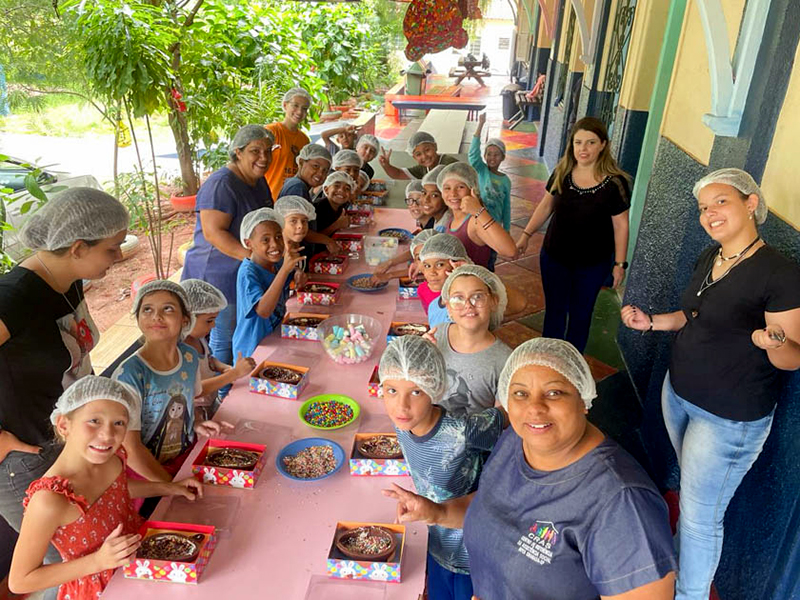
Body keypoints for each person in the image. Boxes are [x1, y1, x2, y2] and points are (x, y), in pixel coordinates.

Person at [620, 169, 800, 600]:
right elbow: (693, 315)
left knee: (702, 518)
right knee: (695, 498)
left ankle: (689, 594)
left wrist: (772, 342)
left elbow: (792, 356)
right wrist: (652, 323)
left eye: (721, 202)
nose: (709, 213)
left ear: (751, 203)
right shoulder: (711, 257)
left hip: (728, 417)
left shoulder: (780, 273)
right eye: (703, 207)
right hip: (680, 395)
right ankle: (679, 568)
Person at [384, 338, 678, 600]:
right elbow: (491, 503)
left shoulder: (622, 505)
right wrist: (437, 512)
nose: (534, 408)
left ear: (584, 399)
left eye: (554, 393)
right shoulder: (517, 439)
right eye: (521, 394)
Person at [0, 187, 128, 597]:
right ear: (77, 247)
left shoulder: (67, 280)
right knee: (63, 568)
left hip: (69, 438)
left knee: (93, 561)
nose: (119, 257)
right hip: (27, 458)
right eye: (112, 249)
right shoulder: (14, 300)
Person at [8, 377, 204, 600]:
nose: (108, 435)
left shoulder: (112, 460)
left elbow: (118, 491)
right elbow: (20, 580)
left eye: (119, 423)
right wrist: (98, 561)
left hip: (141, 562)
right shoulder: (49, 499)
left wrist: (169, 488)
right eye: (94, 421)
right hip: (100, 588)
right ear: (64, 425)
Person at [378, 335, 505, 600]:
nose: (401, 406)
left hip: (473, 554)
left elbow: (501, 419)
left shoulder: (463, 431)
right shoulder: (402, 424)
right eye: (392, 390)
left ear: (435, 387)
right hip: (436, 542)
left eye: (416, 391)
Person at [516, 116, 631, 353]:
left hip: (592, 264)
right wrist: (526, 234)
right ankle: (548, 356)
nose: (583, 149)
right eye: (578, 142)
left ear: (603, 145)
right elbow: (545, 206)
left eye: (590, 142)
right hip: (555, 257)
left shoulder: (615, 184)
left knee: (581, 314)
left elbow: (621, 226)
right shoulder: (563, 171)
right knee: (555, 311)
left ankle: (571, 362)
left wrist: (620, 264)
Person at [114, 281, 230, 482]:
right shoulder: (129, 374)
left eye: (167, 308)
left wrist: (196, 423)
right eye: (147, 309)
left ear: (186, 319)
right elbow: (130, 448)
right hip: (145, 472)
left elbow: (187, 400)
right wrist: (171, 486)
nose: (156, 316)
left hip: (182, 459)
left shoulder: (189, 357)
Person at [182, 124, 275, 367]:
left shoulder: (258, 180)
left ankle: (231, 382)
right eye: (255, 151)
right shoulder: (222, 184)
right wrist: (253, 259)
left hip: (243, 271)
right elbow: (213, 233)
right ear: (238, 152)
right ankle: (222, 394)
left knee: (240, 332)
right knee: (224, 336)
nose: (263, 157)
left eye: (268, 150)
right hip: (217, 274)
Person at [429, 265, 511, 416]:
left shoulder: (504, 360)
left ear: (493, 301)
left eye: (477, 296)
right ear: (448, 307)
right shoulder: (437, 334)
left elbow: (502, 417)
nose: (467, 305)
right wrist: (420, 355)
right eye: (458, 298)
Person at [179, 279, 256, 422]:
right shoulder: (180, 352)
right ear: (186, 319)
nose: (214, 325)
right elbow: (195, 390)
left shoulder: (199, 338)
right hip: (193, 415)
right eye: (209, 320)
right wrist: (234, 374)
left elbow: (209, 360)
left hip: (209, 404)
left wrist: (224, 368)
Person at [232, 208, 304, 359]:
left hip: (274, 339)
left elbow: (293, 273)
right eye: (265, 240)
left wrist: (297, 272)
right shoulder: (247, 273)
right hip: (253, 349)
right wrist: (284, 270)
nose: (275, 245)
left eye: (278, 237)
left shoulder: (276, 264)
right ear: (248, 243)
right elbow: (263, 311)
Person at [438, 162, 517, 269]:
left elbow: (510, 251)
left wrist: (479, 211)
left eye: (460, 187)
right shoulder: (451, 219)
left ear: (472, 189)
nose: (453, 194)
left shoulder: (474, 222)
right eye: (447, 188)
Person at [264, 87, 312, 197]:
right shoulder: (271, 132)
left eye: (304, 108)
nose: (299, 112)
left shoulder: (304, 139)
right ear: (285, 105)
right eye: (295, 105)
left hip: (293, 199)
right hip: (270, 197)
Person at [418, 233, 471, 328]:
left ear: (457, 264)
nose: (432, 272)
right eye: (427, 266)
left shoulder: (469, 305)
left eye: (440, 265)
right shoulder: (433, 307)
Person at [470, 113, 511, 232]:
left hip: (495, 224)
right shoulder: (482, 171)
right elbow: (473, 155)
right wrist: (480, 124)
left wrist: (506, 229)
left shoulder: (505, 181)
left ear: (503, 157)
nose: (492, 158)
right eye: (489, 154)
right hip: (478, 221)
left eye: (496, 154)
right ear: (484, 156)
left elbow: (506, 207)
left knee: (492, 250)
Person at [378, 131, 458, 180]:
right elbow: (398, 174)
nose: (424, 156)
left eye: (427, 150)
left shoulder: (449, 164)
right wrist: (386, 165)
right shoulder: (424, 168)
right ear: (414, 157)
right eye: (418, 154)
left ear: (435, 146)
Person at [311, 171, 356, 249]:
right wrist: (336, 225)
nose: (341, 191)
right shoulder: (317, 208)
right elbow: (310, 238)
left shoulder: (340, 208)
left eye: (347, 189)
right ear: (326, 189)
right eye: (336, 186)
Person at [421, 165, 452, 232]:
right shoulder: (437, 219)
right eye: (424, 193)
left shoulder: (445, 226)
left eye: (434, 195)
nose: (426, 199)